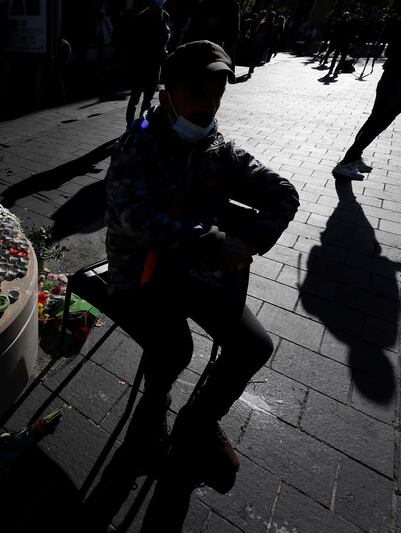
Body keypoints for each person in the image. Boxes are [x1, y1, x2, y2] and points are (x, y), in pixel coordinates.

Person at [104, 40, 299, 499]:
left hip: (196, 271)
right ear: (166, 93)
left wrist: (247, 242)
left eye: (216, 94)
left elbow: (283, 192)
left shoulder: (216, 145)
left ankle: (198, 422)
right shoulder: (137, 145)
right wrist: (211, 240)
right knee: (175, 348)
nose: (208, 105)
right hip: (140, 274)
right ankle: (151, 419)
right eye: (197, 93)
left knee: (253, 346)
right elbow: (138, 222)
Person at [333, 0, 401, 180]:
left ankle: (354, 157)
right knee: (380, 120)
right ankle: (347, 161)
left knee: (376, 118)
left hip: (395, 72)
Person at [125, 1, 170, 126]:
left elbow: (166, 36)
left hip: (156, 62)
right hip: (142, 62)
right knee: (135, 95)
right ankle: (130, 124)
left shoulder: (165, 16)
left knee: (148, 97)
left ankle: (142, 124)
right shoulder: (142, 16)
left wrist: (164, 50)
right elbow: (134, 41)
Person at [182, 0, 240, 68]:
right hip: (219, 53)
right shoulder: (232, 5)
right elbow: (235, 32)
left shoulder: (201, 4)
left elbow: (191, 29)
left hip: (197, 48)